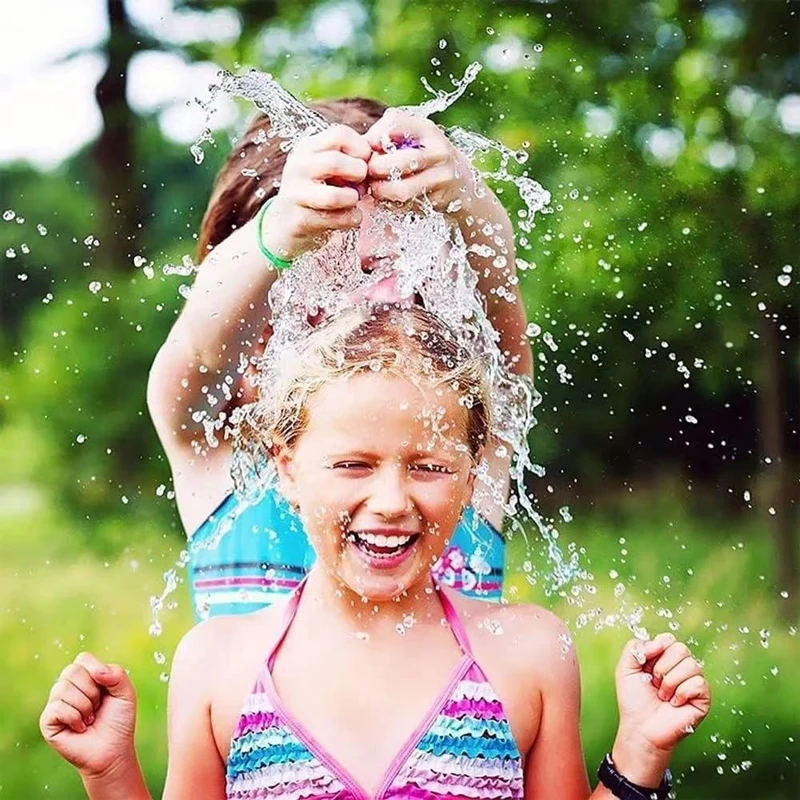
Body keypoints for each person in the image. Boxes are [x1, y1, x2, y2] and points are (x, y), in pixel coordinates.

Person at [41, 305, 711, 800]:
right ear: (288, 468)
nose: (391, 501)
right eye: (353, 465)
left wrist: (637, 754)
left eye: (428, 466)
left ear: (475, 471)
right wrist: (110, 774)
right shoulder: (219, 664)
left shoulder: (530, 653)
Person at [146, 97, 534, 618]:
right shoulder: (221, 445)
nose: (365, 301)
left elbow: (500, 341)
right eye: (319, 261)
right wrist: (279, 227)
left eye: (385, 265)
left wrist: (468, 200)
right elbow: (202, 352)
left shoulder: (461, 440)